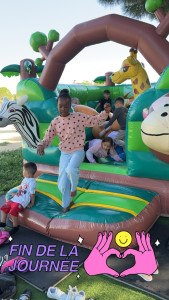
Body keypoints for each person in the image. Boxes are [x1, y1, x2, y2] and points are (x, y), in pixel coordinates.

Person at [37, 89, 109, 213]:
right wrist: (41, 145)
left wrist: (105, 112)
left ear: (70, 106)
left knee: (71, 170)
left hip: (77, 151)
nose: (63, 109)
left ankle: (73, 189)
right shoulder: (56, 122)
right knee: (62, 182)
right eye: (60, 106)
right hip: (65, 153)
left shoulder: (78, 117)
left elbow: (95, 120)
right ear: (57, 106)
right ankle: (68, 202)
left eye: (66, 106)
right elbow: (48, 137)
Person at [0, 162, 37, 235]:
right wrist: (16, 194)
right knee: (4, 207)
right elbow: (22, 189)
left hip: (22, 201)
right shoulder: (25, 179)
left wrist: (31, 203)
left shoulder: (32, 182)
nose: (22, 171)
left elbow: (32, 194)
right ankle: (3, 222)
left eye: (23, 170)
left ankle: (15, 227)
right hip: (16, 198)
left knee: (13, 212)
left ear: (28, 172)